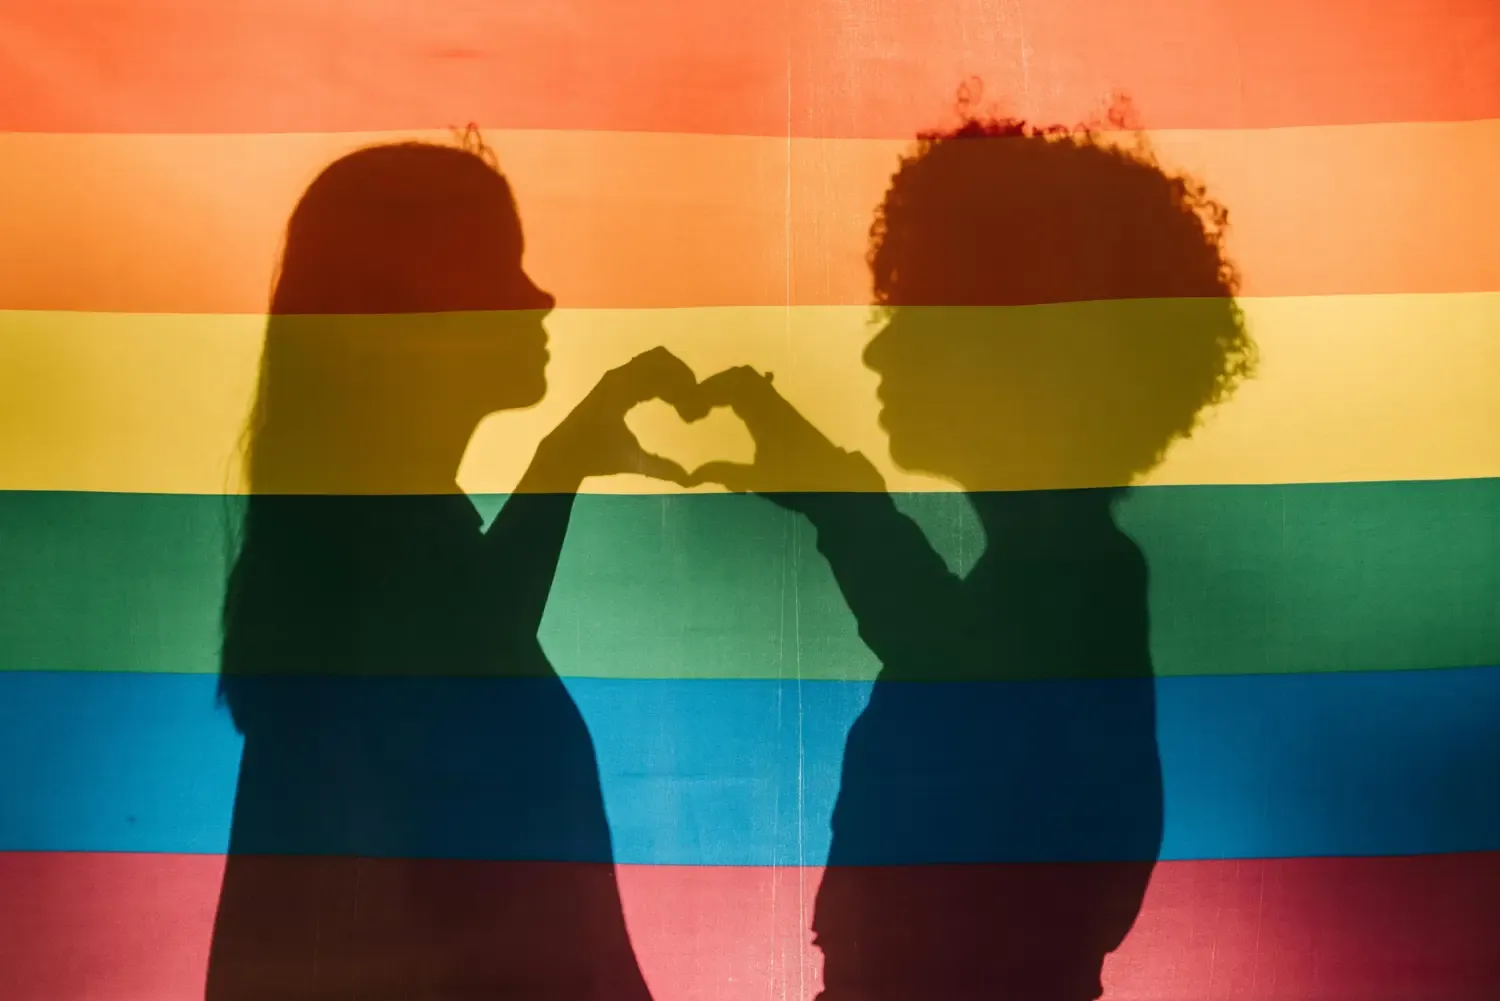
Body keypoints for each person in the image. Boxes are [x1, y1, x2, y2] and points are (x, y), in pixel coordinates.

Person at [691, 113, 1255, 999]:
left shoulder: (1079, 579)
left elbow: (955, 659)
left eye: (916, 313)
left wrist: (838, 495)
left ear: (1012, 348)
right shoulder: (1068, 576)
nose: (878, 347)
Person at [207, 135, 695, 999]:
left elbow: (469, 632)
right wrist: (563, 459)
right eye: (500, 266)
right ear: (413, 308)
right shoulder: (393, 599)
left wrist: (564, 458)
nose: (538, 297)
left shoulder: (363, 582)